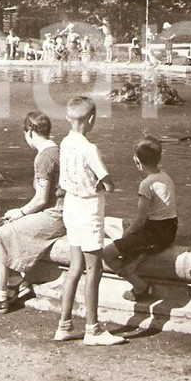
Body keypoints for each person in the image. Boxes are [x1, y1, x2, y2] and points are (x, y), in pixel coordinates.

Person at [0, 111, 65, 315]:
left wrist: (20, 212)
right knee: (6, 227)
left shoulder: (44, 159)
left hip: (55, 214)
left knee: (0, 235)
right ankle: (17, 283)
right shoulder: (58, 149)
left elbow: (41, 199)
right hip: (63, 210)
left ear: (29, 132)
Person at [55, 96, 127, 346]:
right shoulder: (89, 148)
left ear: (68, 118)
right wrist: (106, 185)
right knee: (93, 269)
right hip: (88, 209)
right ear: (92, 120)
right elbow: (108, 182)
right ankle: (92, 329)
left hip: (71, 206)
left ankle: (64, 324)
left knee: (75, 267)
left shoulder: (65, 142)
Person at [101, 137, 177, 302]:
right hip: (168, 229)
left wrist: (126, 234)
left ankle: (139, 286)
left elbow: (141, 219)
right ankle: (135, 258)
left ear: (137, 161)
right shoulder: (164, 176)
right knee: (108, 222)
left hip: (155, 234)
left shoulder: (146, 184)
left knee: (107, 254)